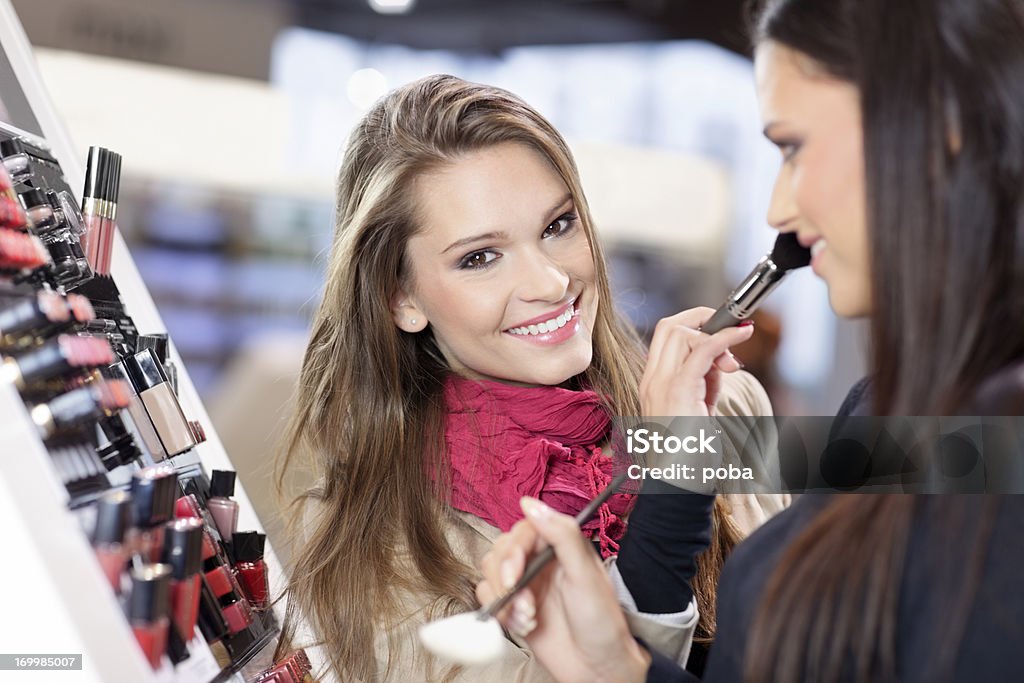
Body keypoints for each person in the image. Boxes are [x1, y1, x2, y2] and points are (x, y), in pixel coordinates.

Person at [477, 0, 1024, 681]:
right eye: (477, 257)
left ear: (936, 129)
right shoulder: (889, 404)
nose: (776, 210)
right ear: (397, 299)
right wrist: (618, 662)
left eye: (792, 146)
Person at [272, 74, 785, 682]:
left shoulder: (726, 406)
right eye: (480, 258)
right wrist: (670, 496)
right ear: (399, 299)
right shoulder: (379, 544)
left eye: (557, 226)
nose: (548, 282)